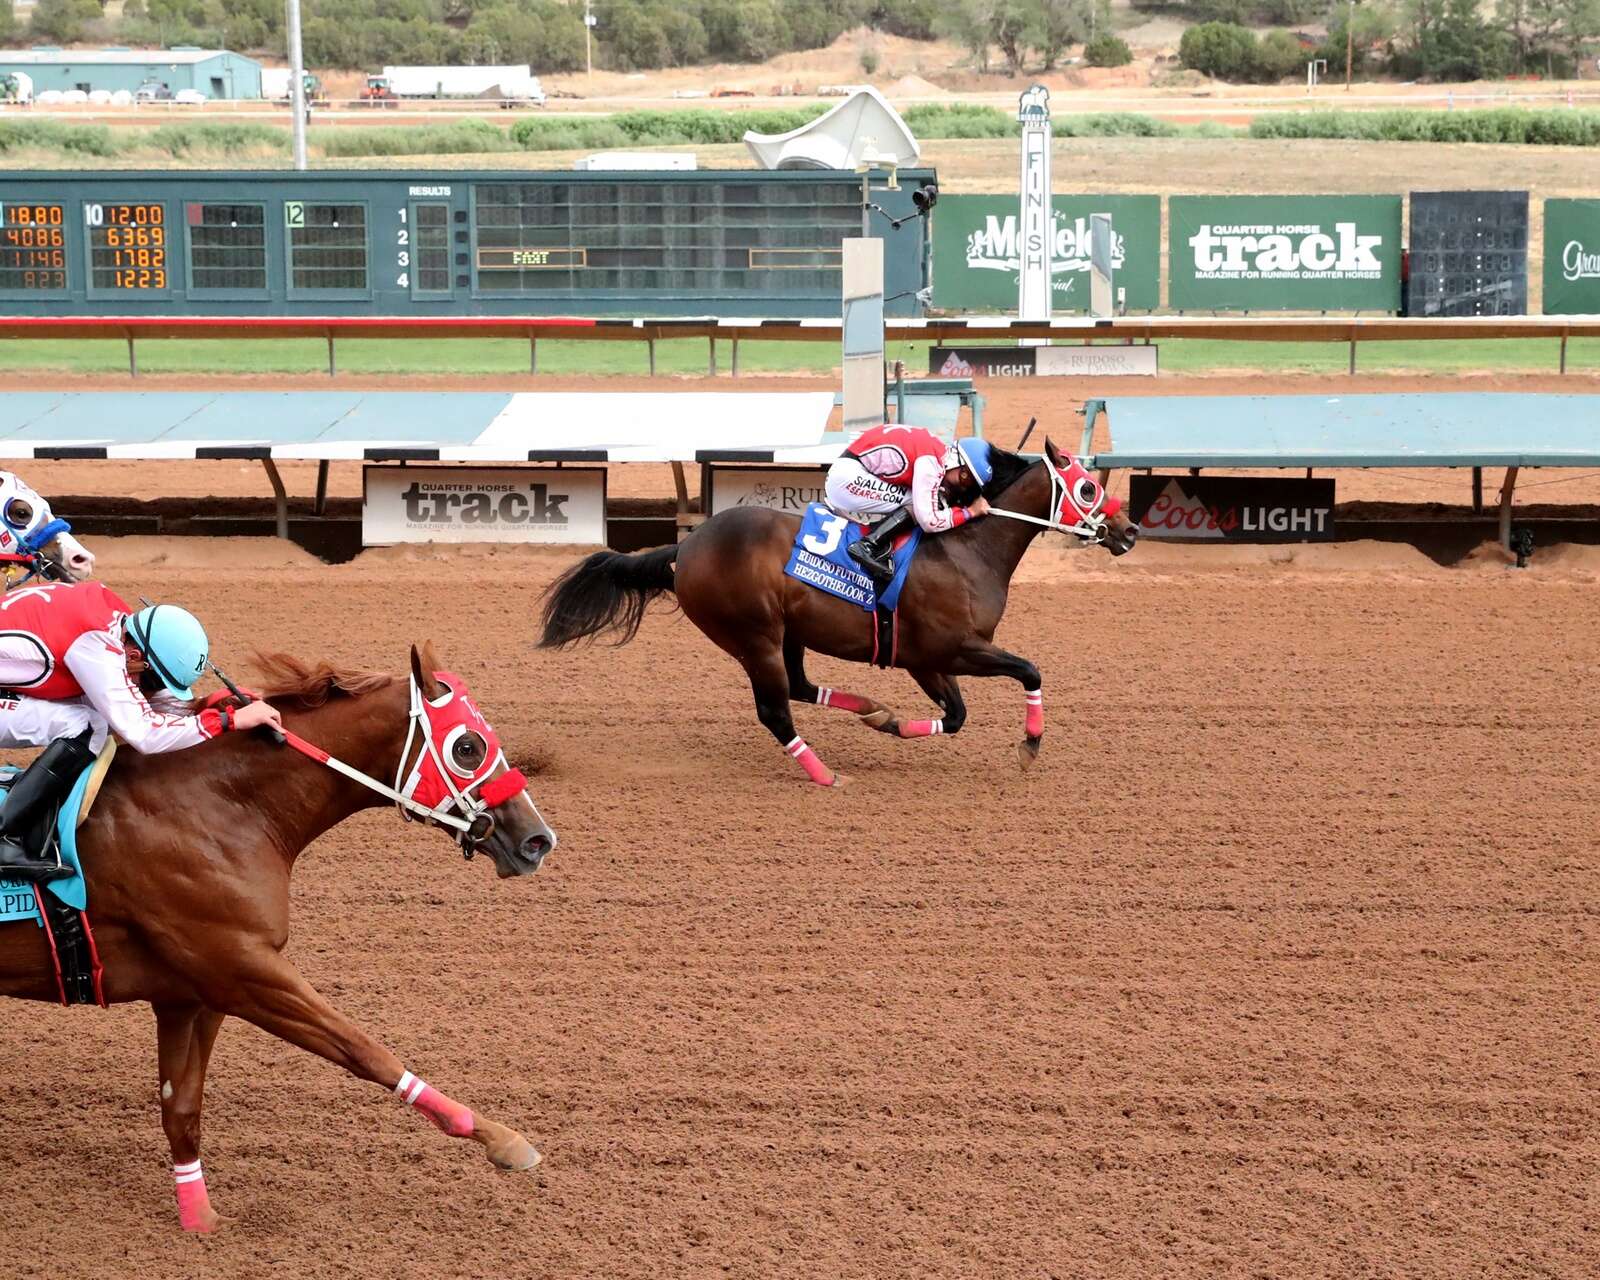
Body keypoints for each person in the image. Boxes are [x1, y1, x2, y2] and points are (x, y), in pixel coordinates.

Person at [0, 581, 282, 882]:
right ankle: (5, 838)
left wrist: (205, 706)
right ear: (135, 656)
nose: (152, 690)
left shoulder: (118, 623)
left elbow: (140, 701)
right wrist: (228, 722)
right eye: (154, 681)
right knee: (86, 724)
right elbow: (143, 732)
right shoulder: (95, 645)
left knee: (95, 713)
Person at [824, 426, 995, 586]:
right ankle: (867, 546)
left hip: (852, 469)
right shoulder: (931, 464)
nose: (964, 486)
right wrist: (970, 512)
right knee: (919, 504)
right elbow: (929, 521)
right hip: (846, 480)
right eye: (966, 479)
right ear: (958, 462)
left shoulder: (938, 452)